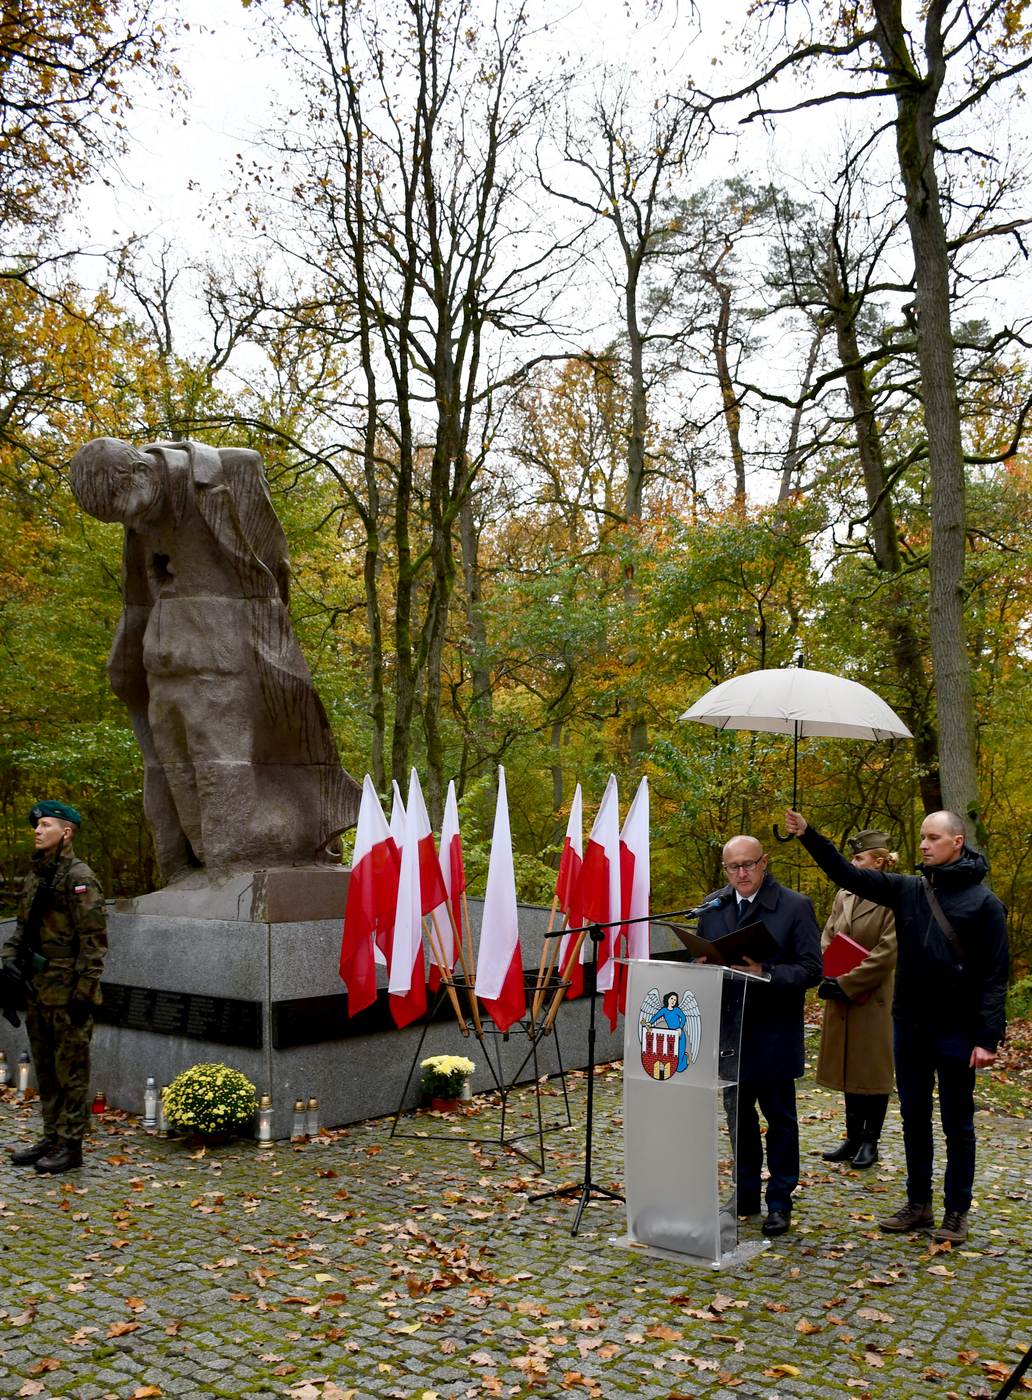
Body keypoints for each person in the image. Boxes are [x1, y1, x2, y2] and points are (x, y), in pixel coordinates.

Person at [68, 437, 360, 880]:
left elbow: (271, 566)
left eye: (129, 512)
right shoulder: (135, 504)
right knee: (175, 775)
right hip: (162, 665)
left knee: (222, 773)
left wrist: (266, 642)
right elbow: (138, 597)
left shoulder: (230, 474)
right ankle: (202, 872)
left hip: (223, 662)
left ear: (142, 473)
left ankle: (243, 864)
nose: (133, 524)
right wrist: (126, 661)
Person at [784, 808, 1009, 1244]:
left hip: (957, 1030)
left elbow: (995, 976)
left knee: (958, 1124)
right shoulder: (908, 889)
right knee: (913, 1118)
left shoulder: (984, 903)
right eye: (922, 836)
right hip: (909, 1026)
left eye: (933, 838)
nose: (923, 844)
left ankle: (956, 1211)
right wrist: (809, 834)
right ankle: (919, 1204)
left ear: (957, 842)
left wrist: (986, 1037)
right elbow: (847, 875)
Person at [698, 835, 822, 1237]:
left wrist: (766, 973)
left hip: (773, 1032)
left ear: (764, 862)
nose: (741, 873)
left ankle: (780, 1201)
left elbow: (812, 969)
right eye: (733, 867)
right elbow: (703, 957)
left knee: (780, 1121)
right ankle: (746, 1195)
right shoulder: (713, 907)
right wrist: (701, 967)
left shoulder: (795, 906)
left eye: (748, 864)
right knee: (739, 1120)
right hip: (730, 1033)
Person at [2, 801, 107, 1175]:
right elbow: (21, 929)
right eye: (37, 825)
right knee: (45, 1068)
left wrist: (84, 994)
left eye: (45, 825)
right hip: (38, 989)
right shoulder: (36, 876)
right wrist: (9, 960)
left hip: (68, 992)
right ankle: (51, 1136)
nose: (37, 830)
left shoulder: (80, 877)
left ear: (66, 832)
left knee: (71, 1071)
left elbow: (94, 942)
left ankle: (71, 1145)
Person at [816, 829, 898, 1170]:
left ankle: (870, 1141)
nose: (852, 863)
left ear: (878, 862)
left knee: (872, 1069)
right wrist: (832, 973)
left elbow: (888, 951)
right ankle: (852, 1137)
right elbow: (828, 935)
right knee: (850, 1064)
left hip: (873, 994)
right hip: (842, 991)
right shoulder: (845, 894)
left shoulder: (894, 896)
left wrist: (849, 981)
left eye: (859, 858)